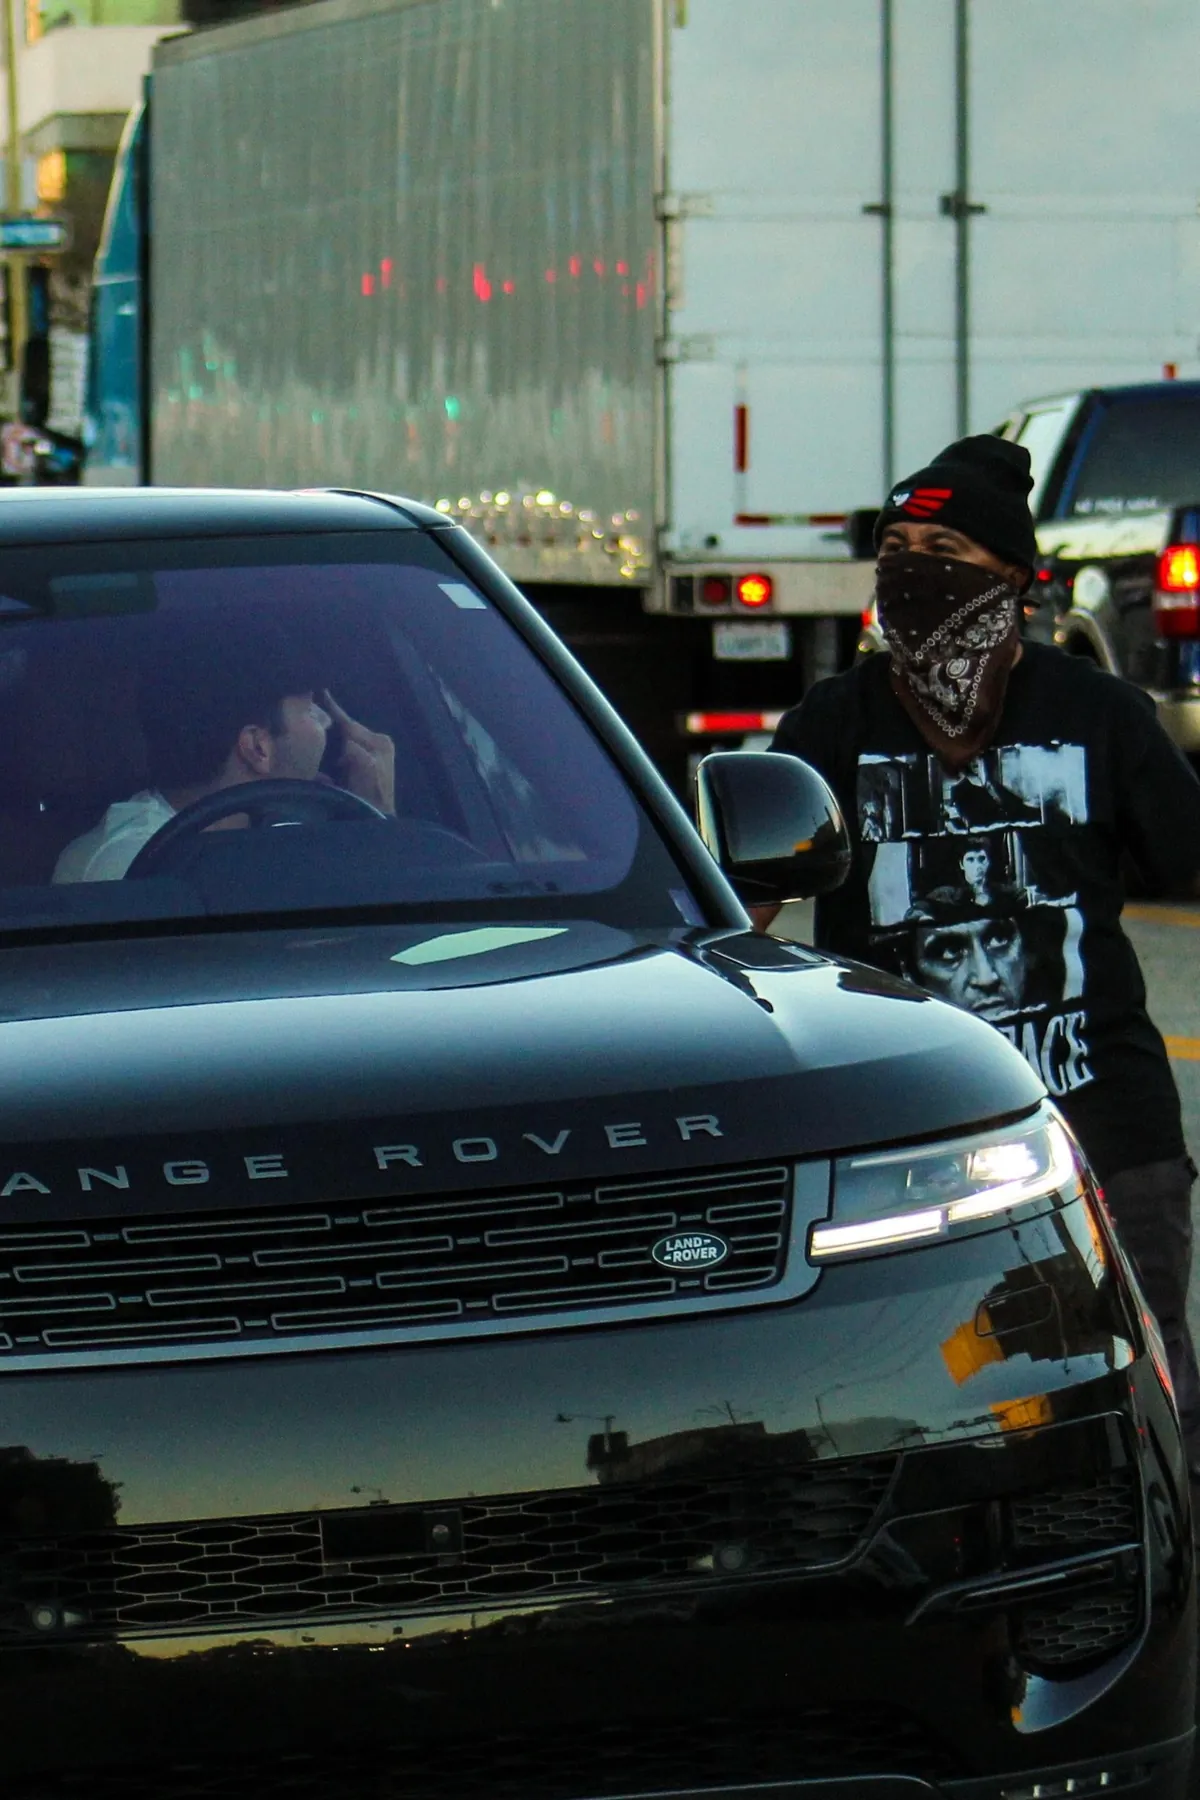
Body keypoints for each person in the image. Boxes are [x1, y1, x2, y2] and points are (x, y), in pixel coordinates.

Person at [764, 432, 1200, 1467]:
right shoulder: (834, 725)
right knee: (921, 1420)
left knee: (1143, 1405)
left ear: (1014, 579)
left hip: (1106, 1134)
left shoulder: (1099, 715)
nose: (913, 568)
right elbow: (742, 910)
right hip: (905, 1155)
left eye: (945, 548)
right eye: (897, 543)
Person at [53, 611, 395, 883]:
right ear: (257, 747)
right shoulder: (134, 866)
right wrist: (383, 826)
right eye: (308, 709)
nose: (326, 721)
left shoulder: (292, 830)